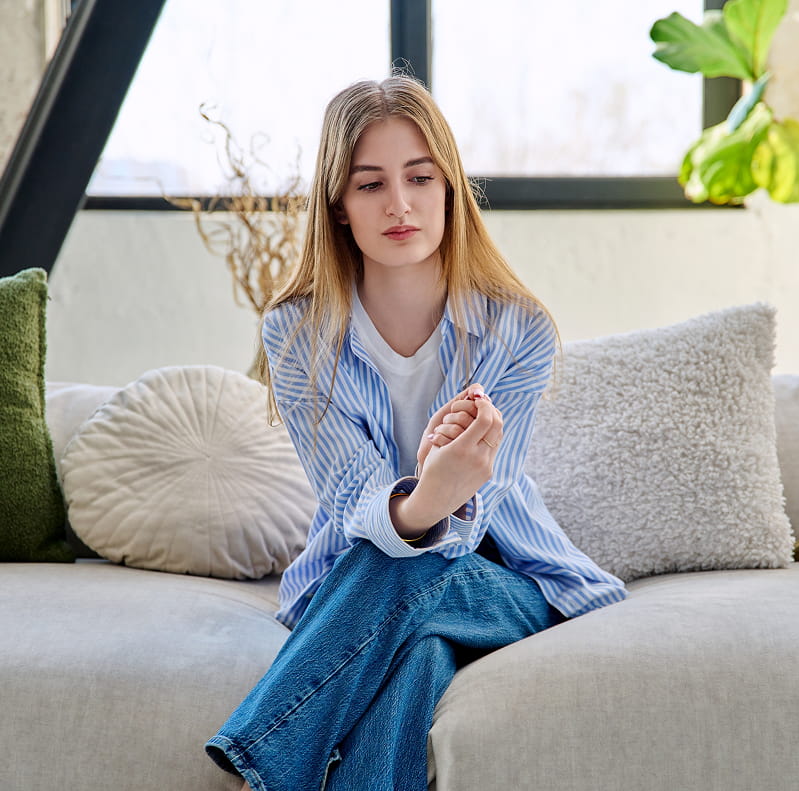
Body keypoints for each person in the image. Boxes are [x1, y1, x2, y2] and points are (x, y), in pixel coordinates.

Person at [205, 73, 626, 791]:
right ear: (338, 205)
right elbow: (349, 497)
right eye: (370, 184)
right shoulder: (297, 333)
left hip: (506, 580)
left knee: (415, 566)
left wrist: (446, 497)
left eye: (419, 177)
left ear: (450, 187)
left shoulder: (517, 330)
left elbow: (478, 518)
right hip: (355, 582)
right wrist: (428, 494)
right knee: (421, 650)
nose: (399, 204)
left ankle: (264, 762)